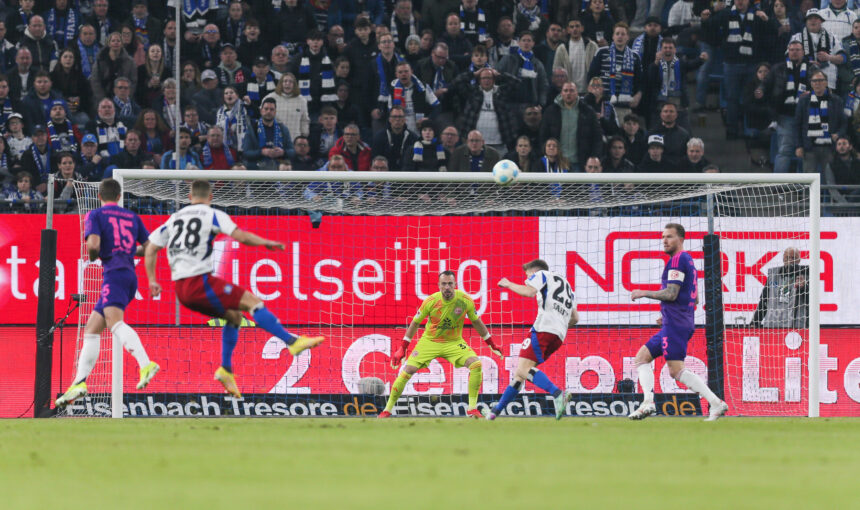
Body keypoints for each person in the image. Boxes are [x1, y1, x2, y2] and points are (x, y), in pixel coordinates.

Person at [145, 179, 324, 398]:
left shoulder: (173, 219)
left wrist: (152, 280)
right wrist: (265, 242)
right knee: (253, 302)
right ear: (211, 197)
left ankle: (226, 369)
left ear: (189, 197)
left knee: (234, 317)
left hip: (181, 290)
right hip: (198, 282)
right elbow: (241, 236)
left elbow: (150, 249)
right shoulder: (212, 214)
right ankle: (292, 342)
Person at [55, 178, 159, 407]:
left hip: (114, 274)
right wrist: (150, 277)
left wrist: (94, 256)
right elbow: (150, 248)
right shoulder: (132, 217)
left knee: (114, 324)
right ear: (120, 197)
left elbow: (92, 246)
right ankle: (79, 383)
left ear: (100, 196)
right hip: (129, 276)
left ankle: (146, 364)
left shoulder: (96, 215)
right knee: (92, 329)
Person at [627, 223, 729, 421]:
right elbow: (695, 298)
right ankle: (647, 403)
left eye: (670, 237)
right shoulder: (687, 260)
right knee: (641, 358)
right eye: (663, 237)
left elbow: (671, 294)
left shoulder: (677, 260)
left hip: (675, 324)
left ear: (681, 239)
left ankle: (716, 403)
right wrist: (669, 314)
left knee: (676, 370)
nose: (665, 240)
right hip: (675, 321)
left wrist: (643, 292)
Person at [378, 270, 502, 418]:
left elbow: (476, 322)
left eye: (450, 283)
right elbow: (415, 323)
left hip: (454, 342)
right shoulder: (431, 301)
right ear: (439, 285)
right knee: (408, 370)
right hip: (430, 341)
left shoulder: (465, 300)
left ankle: (471, 409)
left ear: (455, 284)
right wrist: (402, 348)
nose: (447, 287)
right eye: (444, 284)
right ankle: (387, 410)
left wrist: (491, 343)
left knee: (476, 365)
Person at [487, 259, 578, 420]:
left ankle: (558, 394)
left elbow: (529, 292)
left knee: (522, 369)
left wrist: (508, 284)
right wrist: (559, 325)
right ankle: (495, 412)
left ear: (534, 272)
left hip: (543, 328)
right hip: (559, 335)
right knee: (521, 374)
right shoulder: (568, 287)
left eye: (528, 275)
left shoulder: (541, 274)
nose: (527, 279)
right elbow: (575, 318)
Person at [750, 247, 810, 328]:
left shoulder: (806, 276)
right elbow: (764, 301)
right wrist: (755, 322)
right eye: (787, 257)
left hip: (796, 326)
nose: (790, 260)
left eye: (793, 258)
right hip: (773, 325)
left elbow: (811, 303)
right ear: (783, 259)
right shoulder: (773, 275)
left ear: (799, 260)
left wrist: (804, 288)